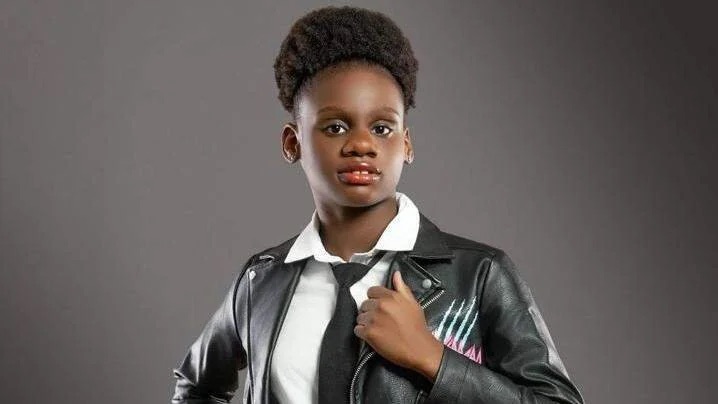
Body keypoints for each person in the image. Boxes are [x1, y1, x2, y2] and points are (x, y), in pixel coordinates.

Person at [171, 5, 584, 404]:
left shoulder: (478, 275)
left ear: (406, 144)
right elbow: (196, 387)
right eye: (335, 127)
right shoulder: (260, 282)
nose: (361, 144)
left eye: (382, 128)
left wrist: (432, 358)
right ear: (293, 143)